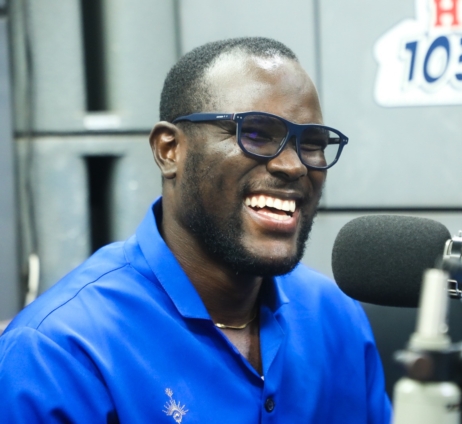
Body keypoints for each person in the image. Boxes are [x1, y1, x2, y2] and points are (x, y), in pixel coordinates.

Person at [0, 37, 391, 423]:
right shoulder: (58, 353)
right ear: (169, 150)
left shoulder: (336, 318)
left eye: (313, 143)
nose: (294, 166)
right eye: (255, 134)